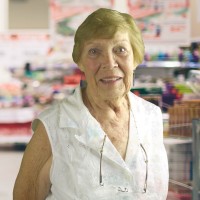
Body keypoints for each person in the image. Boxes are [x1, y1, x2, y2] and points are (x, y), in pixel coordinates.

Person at [13, 8, 169, 200]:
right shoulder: (54, 126)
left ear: (135, 57)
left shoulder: (151, 117)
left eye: (120, 50)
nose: (109, 63)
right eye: (94, 51)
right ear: (80, 61)